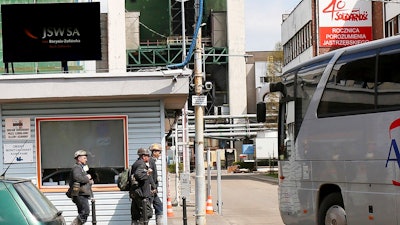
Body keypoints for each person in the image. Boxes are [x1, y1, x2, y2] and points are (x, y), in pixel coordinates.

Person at [68, 150, 93, 225]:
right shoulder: (77, 168)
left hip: (81, 194)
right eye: (84, 158)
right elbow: (77, 178)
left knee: (82, 213)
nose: (86, 159)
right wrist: (87, 178)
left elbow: (81, 179)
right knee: (85, 212)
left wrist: (90, 182)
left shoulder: (81, 168)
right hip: (80, 194)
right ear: (79, 158)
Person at [130, 148, 153, 225]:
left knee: (136, 214)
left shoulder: (136, 163)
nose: (149, 157)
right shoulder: (141, 164)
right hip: (141, 193)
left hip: (136, 193)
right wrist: (147, 173)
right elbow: (138, 175)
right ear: (143, 156)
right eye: (147, 156)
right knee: (148, 212)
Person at [148, 143, 163, 225]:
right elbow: (149, 175)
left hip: (153, 189)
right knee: (147, 209)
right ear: (154, 152)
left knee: (159, 206)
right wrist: (154, 187)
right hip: (151, 189)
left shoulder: (152, 161)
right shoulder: (151, 161)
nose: (159, 154)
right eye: (158, 152)